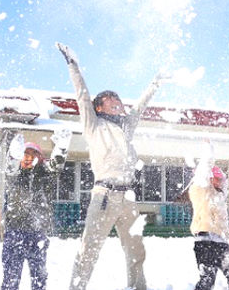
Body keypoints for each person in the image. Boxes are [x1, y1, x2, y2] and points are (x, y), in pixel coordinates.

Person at [57, 43, 169, 290]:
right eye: (111, 99)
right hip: (104, 197)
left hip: (128, 198)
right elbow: (82, 95)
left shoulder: (125, 127)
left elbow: (139, 108)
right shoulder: (94, 125)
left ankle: (138, 287)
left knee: (136, 250)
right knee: (89, 249)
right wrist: (73, 65)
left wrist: (155, 84)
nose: (118, 101)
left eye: (118, 98)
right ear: (99, 106)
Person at [1, 127, 70, 290]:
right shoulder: (14, 176)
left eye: (33, 155)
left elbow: (56, 166)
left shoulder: (46, 177)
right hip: (14, 232)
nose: (28, 158)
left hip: (38, 233)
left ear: (40, 158)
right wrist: (13, 153)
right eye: (24, 154)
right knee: (11, 277)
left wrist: (61, 147)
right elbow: (11, 167)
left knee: (39, 277)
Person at [189, 142, 229, 290]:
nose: (220, 182)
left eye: (221, 179)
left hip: (221, 243)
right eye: (216, 178)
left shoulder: (220, 196)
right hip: (204, 240)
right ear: (209, 178)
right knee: (207, 279)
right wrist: (208, 154)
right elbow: (203, 173)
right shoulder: (201, 190)